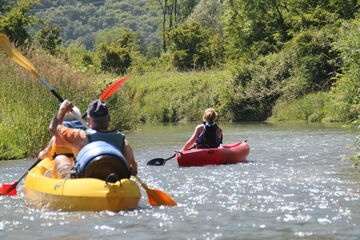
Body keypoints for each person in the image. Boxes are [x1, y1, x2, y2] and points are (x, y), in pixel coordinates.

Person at [49, 99, 138, 179]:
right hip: (115, 178)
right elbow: (133, 170)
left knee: (60, 158)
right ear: (109, 119)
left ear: (88, 120)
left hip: (85, 180)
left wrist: (62, 109)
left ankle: (61, 185)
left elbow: (53, 129)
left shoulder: (81, 136)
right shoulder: (123, 140)